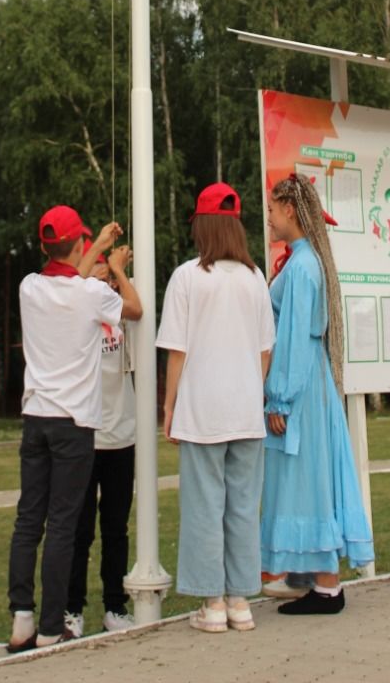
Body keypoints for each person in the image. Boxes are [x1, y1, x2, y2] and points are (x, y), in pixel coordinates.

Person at [7, 206, 141, 653]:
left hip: (36, 418)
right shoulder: (91, 296)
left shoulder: (29, 288)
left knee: (29, 520)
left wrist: (96, 251)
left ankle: (22, 620)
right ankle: (50, 627)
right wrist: (115, 266)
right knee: (64, 526)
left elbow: (68, 280)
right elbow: (131, 309)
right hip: (75, 424)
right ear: (79, 243)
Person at [157, 183, 275, 634]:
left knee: (206, 506)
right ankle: (241, 600)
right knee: (243, 506)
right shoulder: (255, 277)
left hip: (202, 409)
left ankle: (212, 603)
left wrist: (169, 408)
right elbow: (266, 349)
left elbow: (177, 351)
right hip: (246, 410)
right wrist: (249, 387)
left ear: (202, 226)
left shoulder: (187, 276)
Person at [261, 173, 374, 615]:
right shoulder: (307, 262)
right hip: (312, 382)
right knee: (312, 480)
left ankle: (327, 584)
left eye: (272, 210)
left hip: (302, 385)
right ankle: (318, 578)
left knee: (309, 481)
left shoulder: (303, 267)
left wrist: (279, 397)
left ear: (289, 210)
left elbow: (291, 336)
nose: (268, 219)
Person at [64, 244, 143, 638]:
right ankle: (71, 610)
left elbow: (138, 306)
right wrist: (92, 269)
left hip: (121, 436)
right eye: (97, 273)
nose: (103, 281)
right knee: (80, 531)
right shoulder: (77, 308)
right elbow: (68, 287)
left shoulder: (120, 311)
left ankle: (115, 605)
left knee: (116, 529)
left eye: (108, 277)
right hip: (85, 434)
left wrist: (118, 271)